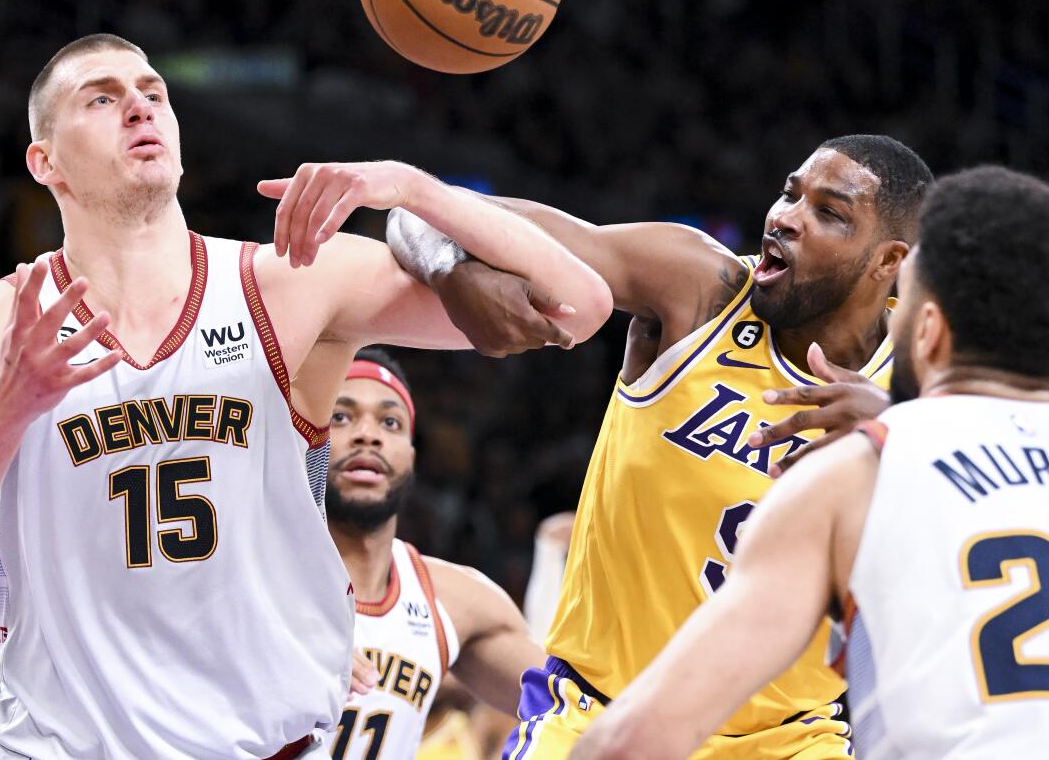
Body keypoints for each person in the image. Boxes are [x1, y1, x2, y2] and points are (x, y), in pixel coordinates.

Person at [0, 33, 613, 760]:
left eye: (153, 93)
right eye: (102, 98)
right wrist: (9, 403)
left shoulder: (288, 284)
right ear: (44, 161)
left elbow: (576, 306)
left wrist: (413, 190)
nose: (139, 106)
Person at [387, 135, 934, 758]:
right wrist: (448, 271)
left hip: (788, 741)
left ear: (888, 261)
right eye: (789, 193)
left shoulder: (922, 381)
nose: (786, 218)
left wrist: (904, 436)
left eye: (829, 213)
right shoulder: (700, 287)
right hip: (600, 714)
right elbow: (424, 211)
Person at [570, 166, 1049, 759]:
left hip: (769, 726)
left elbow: (635, 742)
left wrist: (892, 428)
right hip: (606, 681)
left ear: (926, 332)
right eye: (792, 194)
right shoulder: (706, 289)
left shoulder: (860, 468)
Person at [326, 347, 546, 760]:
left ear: (410, 455)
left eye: (390, 422)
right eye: (341, 416)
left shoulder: (459, 601)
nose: (367, 434)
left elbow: (571, 707)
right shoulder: (248, 582)